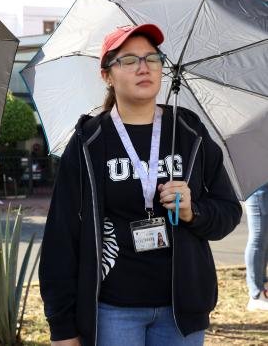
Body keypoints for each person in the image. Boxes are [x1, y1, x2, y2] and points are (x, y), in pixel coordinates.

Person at [39, 24, 242, 346]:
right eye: (129, 60)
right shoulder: (89, 141)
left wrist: (193, 212)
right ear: (107, 75)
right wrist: (62, 327)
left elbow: (228, 212)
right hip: (112, 309)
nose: (144, 67)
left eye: (152, 58)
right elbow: (61, 235)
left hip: (182, 311)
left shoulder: (189, 132)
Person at [245, 183, 268, 311]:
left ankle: (262, 288)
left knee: (264, 241)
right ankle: (256, 294)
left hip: (262, 188)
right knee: (258, 241)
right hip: (258, 189)